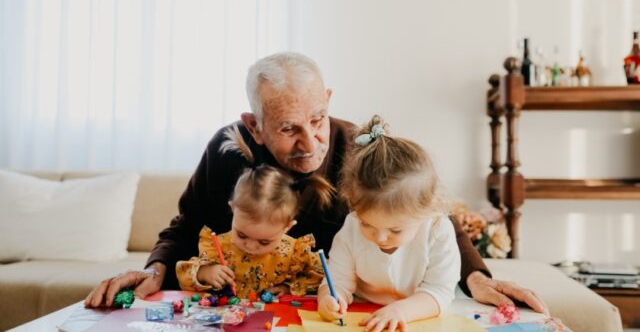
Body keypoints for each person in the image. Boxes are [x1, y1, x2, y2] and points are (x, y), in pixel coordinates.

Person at [84, 52, 548, 316]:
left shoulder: (362, 145)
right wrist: (155, 271)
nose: (311, 143)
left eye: (318, 119)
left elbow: (428, 215)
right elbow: (187, 225)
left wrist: (478, 277)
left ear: (328, 101)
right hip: (259, 304)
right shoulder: (226, 152)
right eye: (288, 129)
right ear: (255, 124)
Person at [318, 116, 460, 332]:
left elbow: (440, 291)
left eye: (395, 230)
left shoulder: (438, 231)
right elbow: (337, 280)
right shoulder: (351, 226)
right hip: (362, 315)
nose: (380, 238)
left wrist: (400, 311)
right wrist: (330, 298)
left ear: (428, 209)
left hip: (420, 315)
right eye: (367, 224)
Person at [175, 125, 332, 297]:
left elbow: (321, 277)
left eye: (264, 242)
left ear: (287, 227)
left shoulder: (294, 253)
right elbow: (183, 272)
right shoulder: (217, 246)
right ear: (233, 208)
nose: (250, 246)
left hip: (275, 320)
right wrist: (205, 272)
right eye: (242, 235)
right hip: (227, 318)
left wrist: (289, 287)